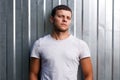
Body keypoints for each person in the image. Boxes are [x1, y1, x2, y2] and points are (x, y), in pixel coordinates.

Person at [30, 5, 93, 80]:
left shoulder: (80, 45)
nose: (65, 20)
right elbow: (33, 73)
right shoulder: (39, 44)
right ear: (52, 19)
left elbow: (88, 75)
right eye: (60, 16)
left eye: (68, 18)